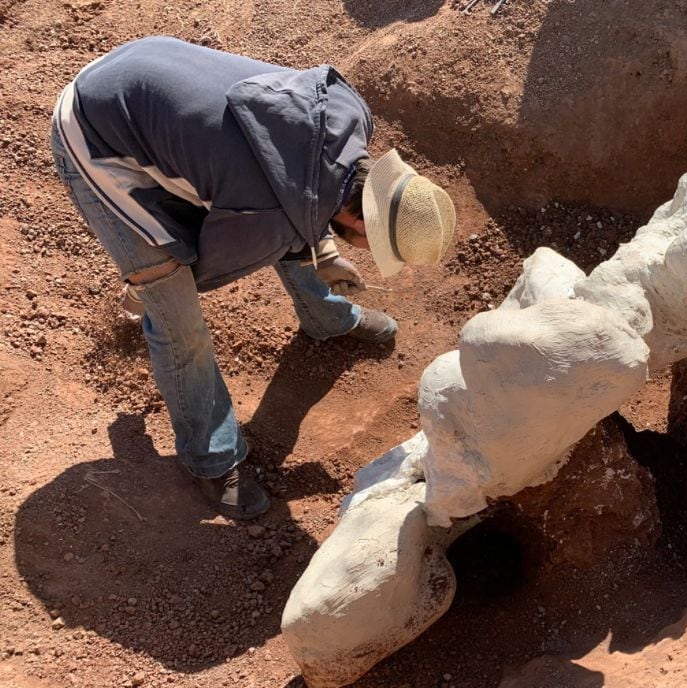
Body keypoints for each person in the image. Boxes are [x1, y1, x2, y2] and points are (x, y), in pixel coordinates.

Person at [50, 37, 456, 520]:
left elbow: (299, 184)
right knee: (176, 312)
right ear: (364, 220)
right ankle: (212, 458)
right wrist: (154, 286)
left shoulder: (352, 114)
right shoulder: (263, 220)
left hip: (147, 73)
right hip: (96, 135)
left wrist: (323, 248)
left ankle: (326, 318)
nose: (371, 255)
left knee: (287, 224)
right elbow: (205, 268)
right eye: (377, 245)